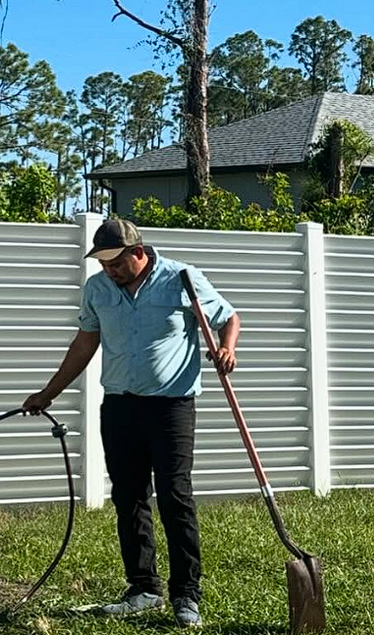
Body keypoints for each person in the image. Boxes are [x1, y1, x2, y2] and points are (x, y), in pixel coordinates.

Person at [22, 218, 239, 629]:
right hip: (120, 406)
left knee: (175, 496)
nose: (109, 271)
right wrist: (48, 393)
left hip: (172, 406)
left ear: (137, 252)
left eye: (115, 263)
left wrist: (227, 350)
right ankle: (143, 588)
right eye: (103, 264)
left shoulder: (182, 279)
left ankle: (185, 595)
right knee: (129, 496)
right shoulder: (98, 289)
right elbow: (85, 343)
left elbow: (229, 318)